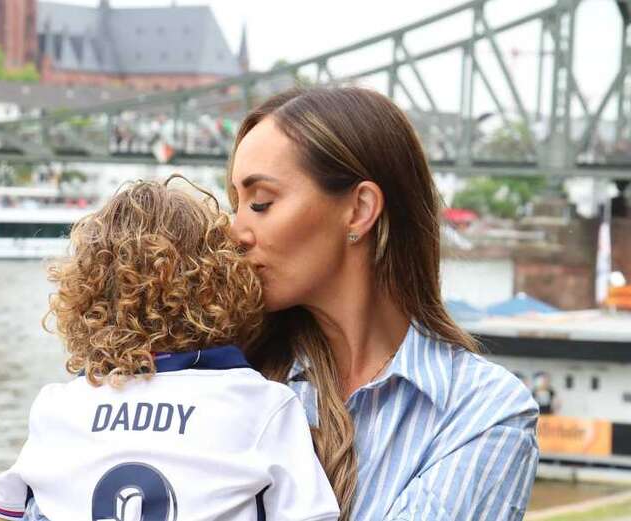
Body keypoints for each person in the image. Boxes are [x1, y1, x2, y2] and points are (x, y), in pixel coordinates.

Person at [227, 87, 540, 520]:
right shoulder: (225, 378)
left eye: (261, 203)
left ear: (359, 210)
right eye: (235, 205)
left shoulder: (483, 413)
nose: (234, 232)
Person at [0, 179, 340, 521]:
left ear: (85, 297)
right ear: (221, 284)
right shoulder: (264, 406)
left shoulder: (57, 408)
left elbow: (5, 510)